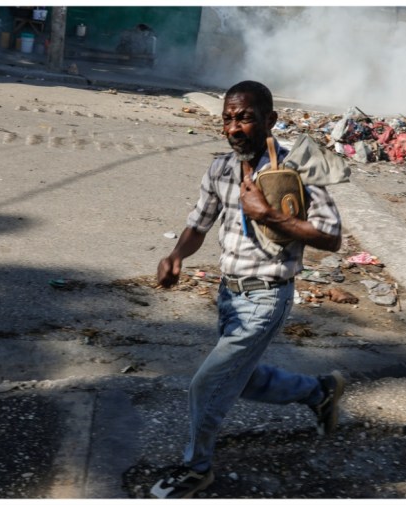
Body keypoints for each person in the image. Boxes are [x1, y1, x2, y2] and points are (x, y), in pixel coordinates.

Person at [150, 80, 346, 499]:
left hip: (267, 296)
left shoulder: (297, 169)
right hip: (229, 296)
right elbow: (199, 223)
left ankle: (196, 468)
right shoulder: (220, 169)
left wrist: (269, 215)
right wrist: (176, 255)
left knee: (207, 384)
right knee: (242, 379)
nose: (235, 128)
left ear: (270, 120)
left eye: (245, 117)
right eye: (228, 119)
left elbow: (331, 238)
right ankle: (320, 392)